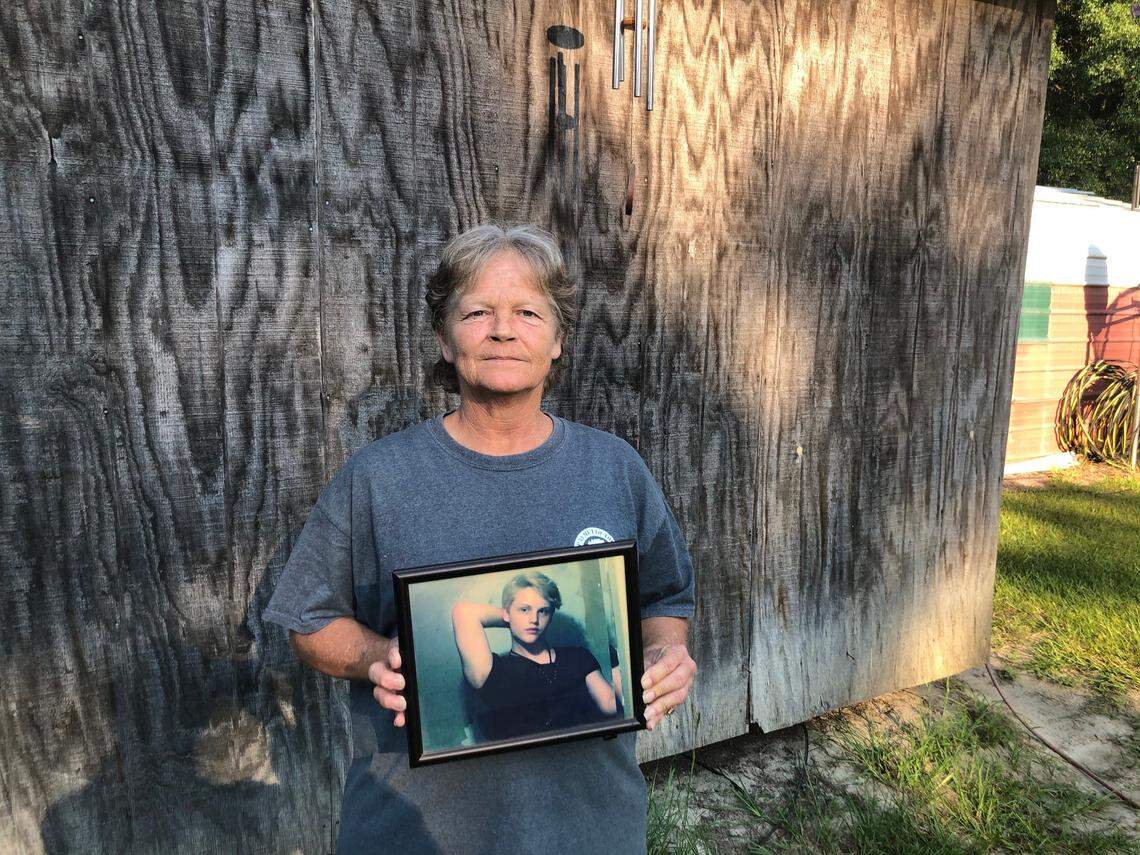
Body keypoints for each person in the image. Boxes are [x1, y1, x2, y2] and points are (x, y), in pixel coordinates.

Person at [263, 223, 697, 854]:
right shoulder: (379, 479)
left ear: (558, 340)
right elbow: (309, 618)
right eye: (476, 312)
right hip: (416, 828)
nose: (502, 329)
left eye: (527, 311)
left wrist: (662, 658)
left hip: (587, 827)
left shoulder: (615, 469)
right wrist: (383, 655)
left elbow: (665, 598)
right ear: (444, 337)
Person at [451, 571, 618, 740]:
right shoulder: (491, 670)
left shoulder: (577, 657)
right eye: (524, 609)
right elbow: (463, 612)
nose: (534, 619)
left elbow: (611, 705)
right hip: (520, 765)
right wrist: (511, 619)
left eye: (543, 611)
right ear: (506, 613)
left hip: (582, 758)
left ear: (551, 615)